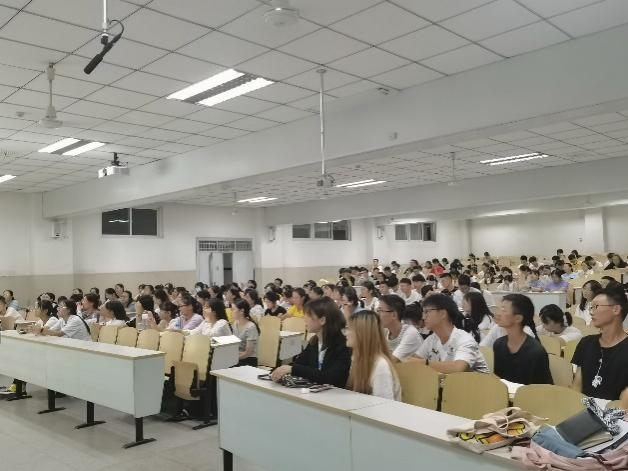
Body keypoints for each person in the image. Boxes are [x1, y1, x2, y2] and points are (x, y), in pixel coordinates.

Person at [271, 298, 351, 387]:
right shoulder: (314, 342)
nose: (304, 319)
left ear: (322, 320)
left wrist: (293, 369)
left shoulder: (343, 345)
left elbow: (329, 377)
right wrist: (280, 370)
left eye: (308, 315)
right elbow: (299, 363)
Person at [572, 287, 628, 400]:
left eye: (596, 306)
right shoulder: (586, 343)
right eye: (591, 307)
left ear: (616, 309)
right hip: (583, 408)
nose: (591, 312)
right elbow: (577, 386)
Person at [410, 294, 489, 373]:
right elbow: (413, 361)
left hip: (479, 380)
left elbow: (458, 368)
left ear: (443, 314)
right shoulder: (432, 339)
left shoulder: (464, 339)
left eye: (427, 312)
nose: (423, 317)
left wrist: (424, 363)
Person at [493, 294, 552, 385]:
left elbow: (542, 388)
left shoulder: (535, 351)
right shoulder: (498, 345)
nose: (498, 314)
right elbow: (499, 381)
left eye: (503, 310)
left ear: (518, 318)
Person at [346, 310, 401, 401]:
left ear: (362, 334)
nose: (346, 333)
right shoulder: (356, 358)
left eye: (349, 329)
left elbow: (384, 406)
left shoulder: (381, 366)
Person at [377, 294, 422, 362]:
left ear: (394, 315)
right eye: (378, 310)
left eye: (380, 310)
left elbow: (392, 361)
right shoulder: (384, 331)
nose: (377, 314)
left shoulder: (410, 333)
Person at [231, 299, 259, 366]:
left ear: (241, 311)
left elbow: (248, 353)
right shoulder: (235, 323)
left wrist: (232, 359)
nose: (231, 312)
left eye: (233, 309)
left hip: (249, 360)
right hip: (237, 356)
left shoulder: (250, 327)